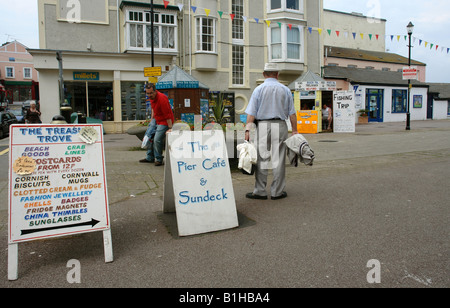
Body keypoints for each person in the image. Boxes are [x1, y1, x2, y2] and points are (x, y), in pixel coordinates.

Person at [244, 63, 299, 200]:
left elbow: (251, 113)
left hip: (262, 125)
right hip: (280, 125)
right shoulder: (285, 90)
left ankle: (260, 191)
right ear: (277, 74)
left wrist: (247, 130)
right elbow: (292, 113)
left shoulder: (258, 90)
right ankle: (277, 192)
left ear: (264, 74)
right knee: (279, 159)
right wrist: (295, 131)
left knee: (262, 159)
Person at [139, 83, 174, 166]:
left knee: (157, 139)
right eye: (147, 93)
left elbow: (167, 114)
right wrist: (152, 120)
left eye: (151, 93)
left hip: (165, 121)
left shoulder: (162, 98)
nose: (149, 95)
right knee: (149, 136)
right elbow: (153, 108)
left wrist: (170, 127)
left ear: (155, 91)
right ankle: (150, 157)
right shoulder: (151, 98)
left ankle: (159, 159)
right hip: (156, 119)